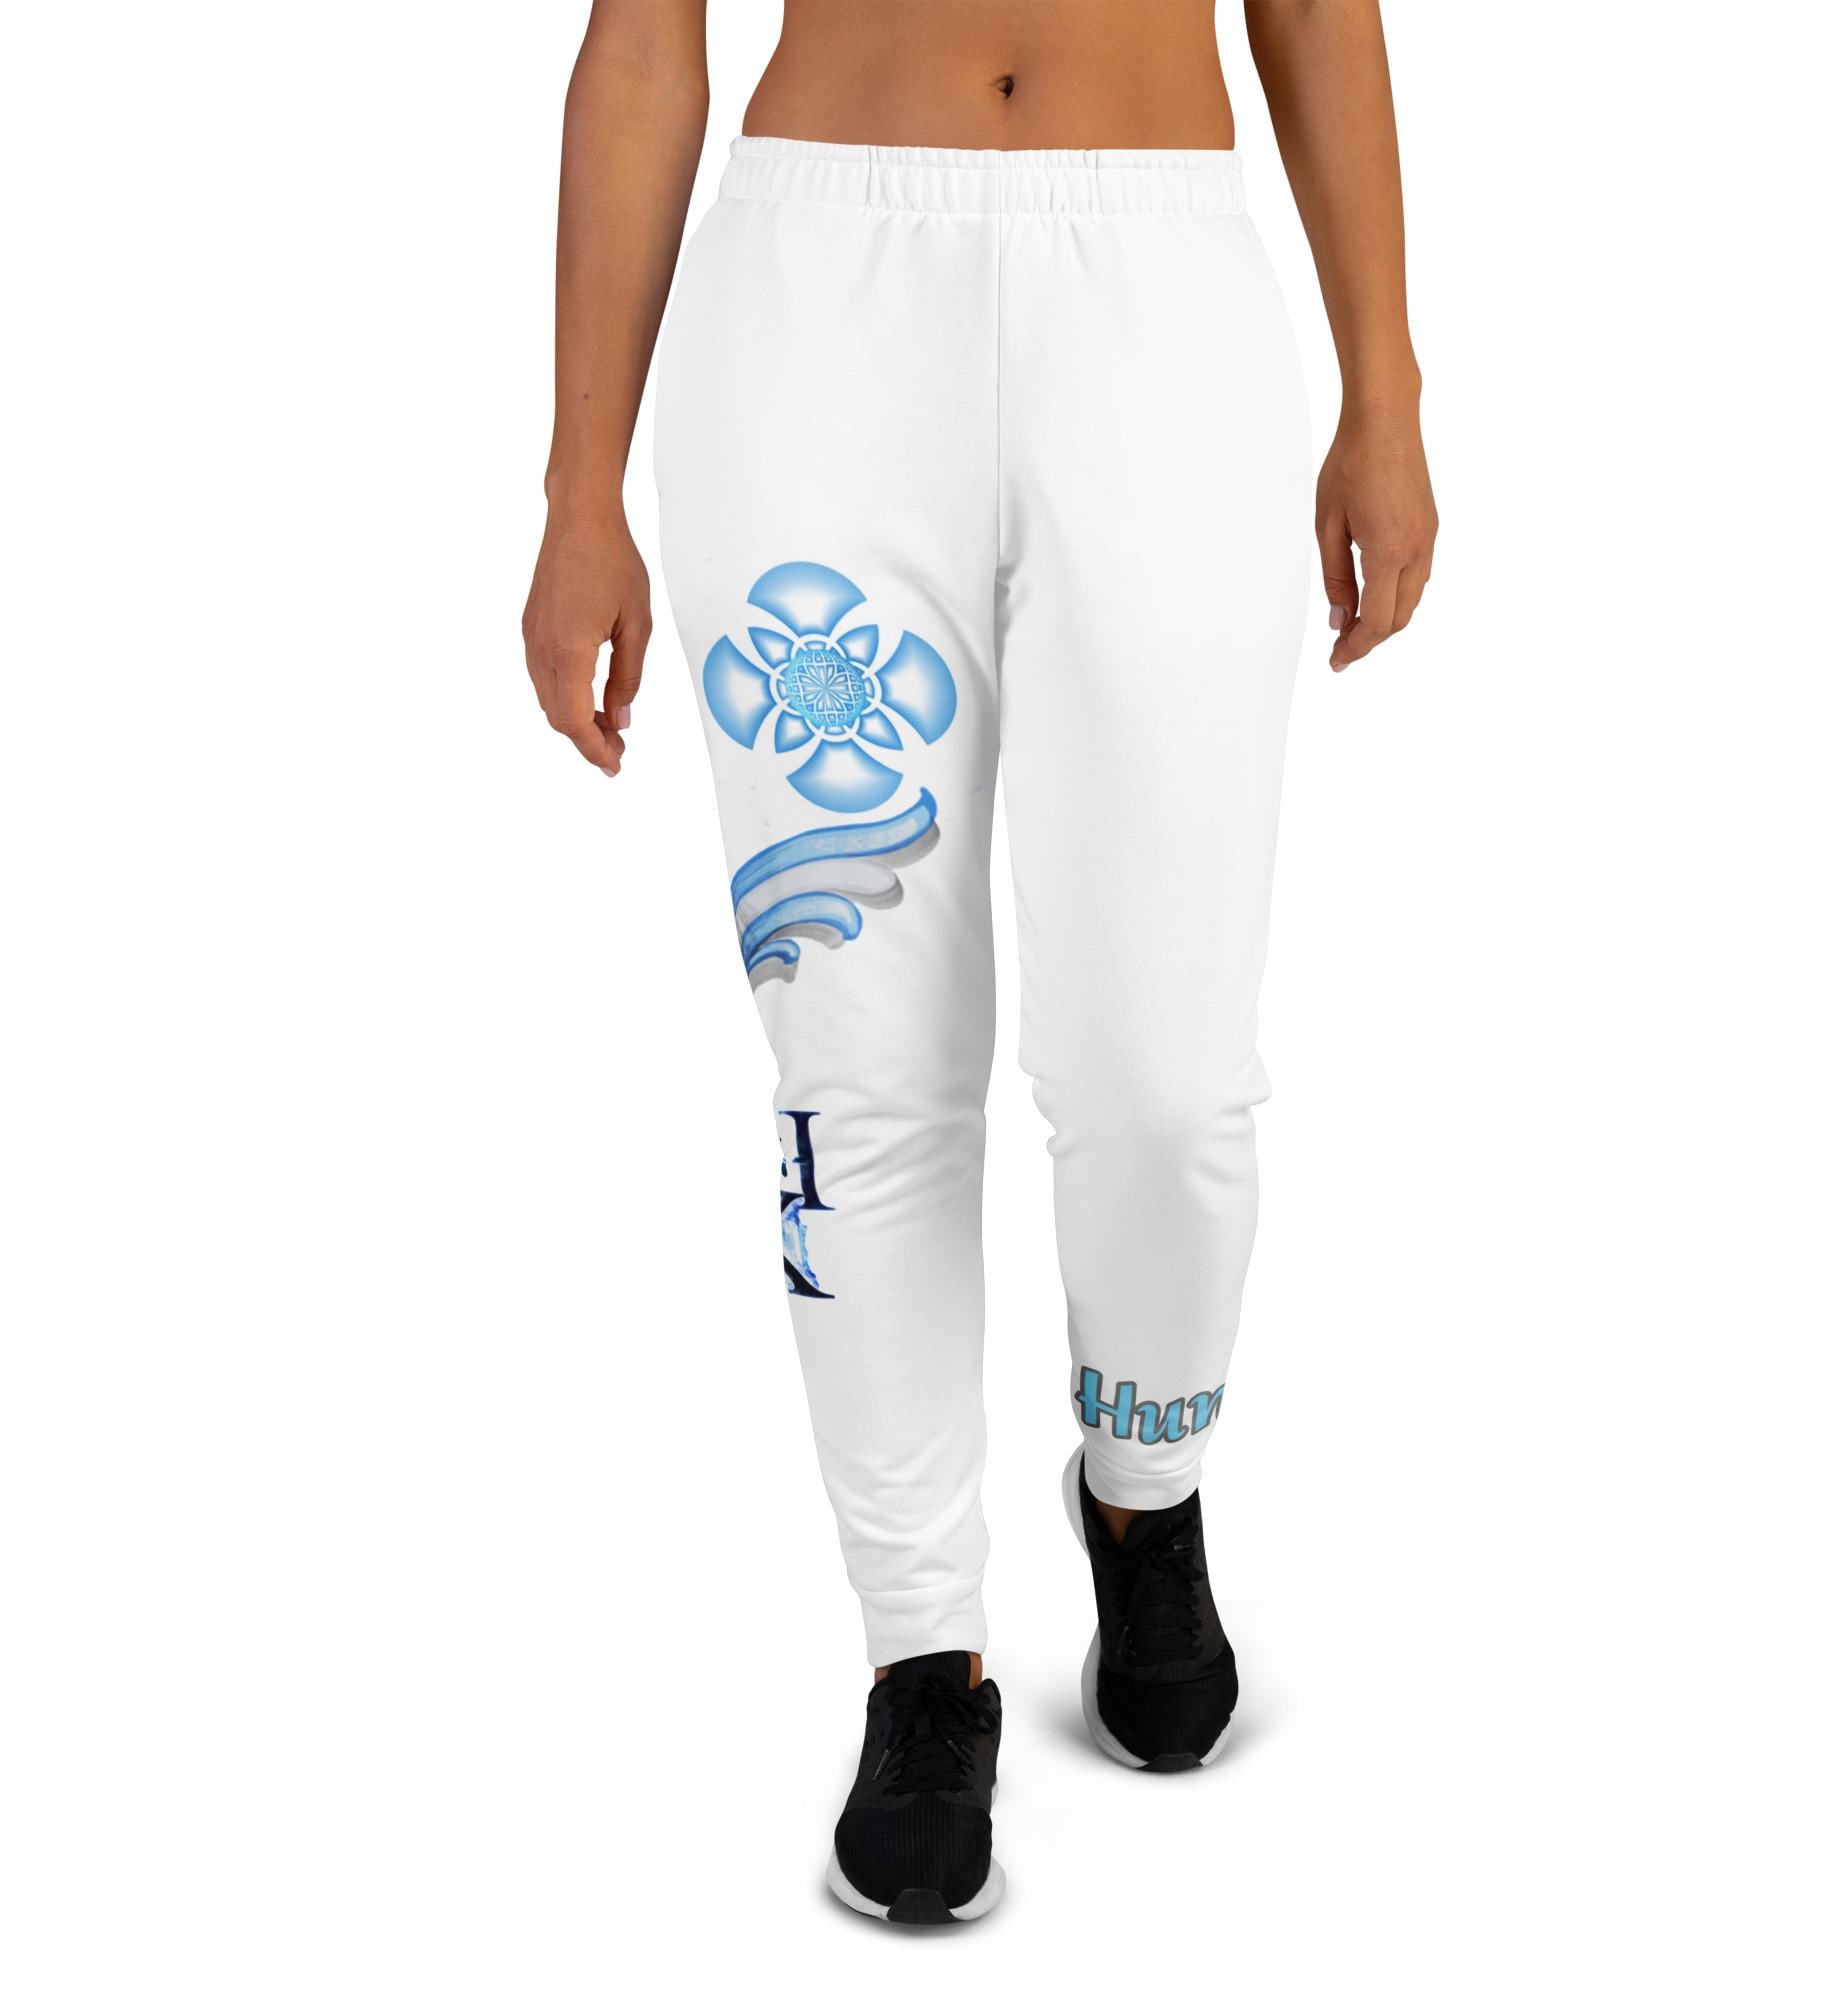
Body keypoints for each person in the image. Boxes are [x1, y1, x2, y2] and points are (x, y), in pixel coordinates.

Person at [522, 0, 1436, 1925]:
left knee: (1167, 1078)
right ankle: (921, 1657)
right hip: (816, 314)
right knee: (860, 1063)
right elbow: (640, 44)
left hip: (1159, 290)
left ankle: (1144, 1483)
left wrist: (1390, 388)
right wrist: (576, 486)